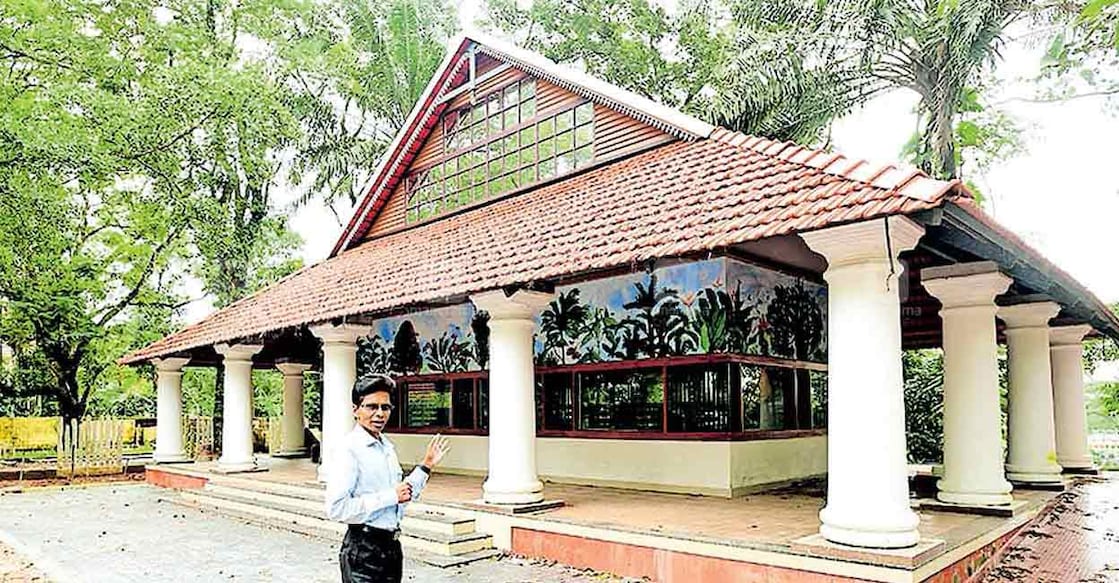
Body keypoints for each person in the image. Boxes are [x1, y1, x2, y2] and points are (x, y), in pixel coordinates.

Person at [324, 374, 450, 583]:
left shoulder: (386, 448)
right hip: (363, 551)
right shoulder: (349, 450)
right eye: (371, 407)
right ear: (356, 409)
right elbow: (336, 508)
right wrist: (390, 496)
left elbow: (402, 495)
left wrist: (426, 466)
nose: (379, 414)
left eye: (385, 407)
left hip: (391, 548)